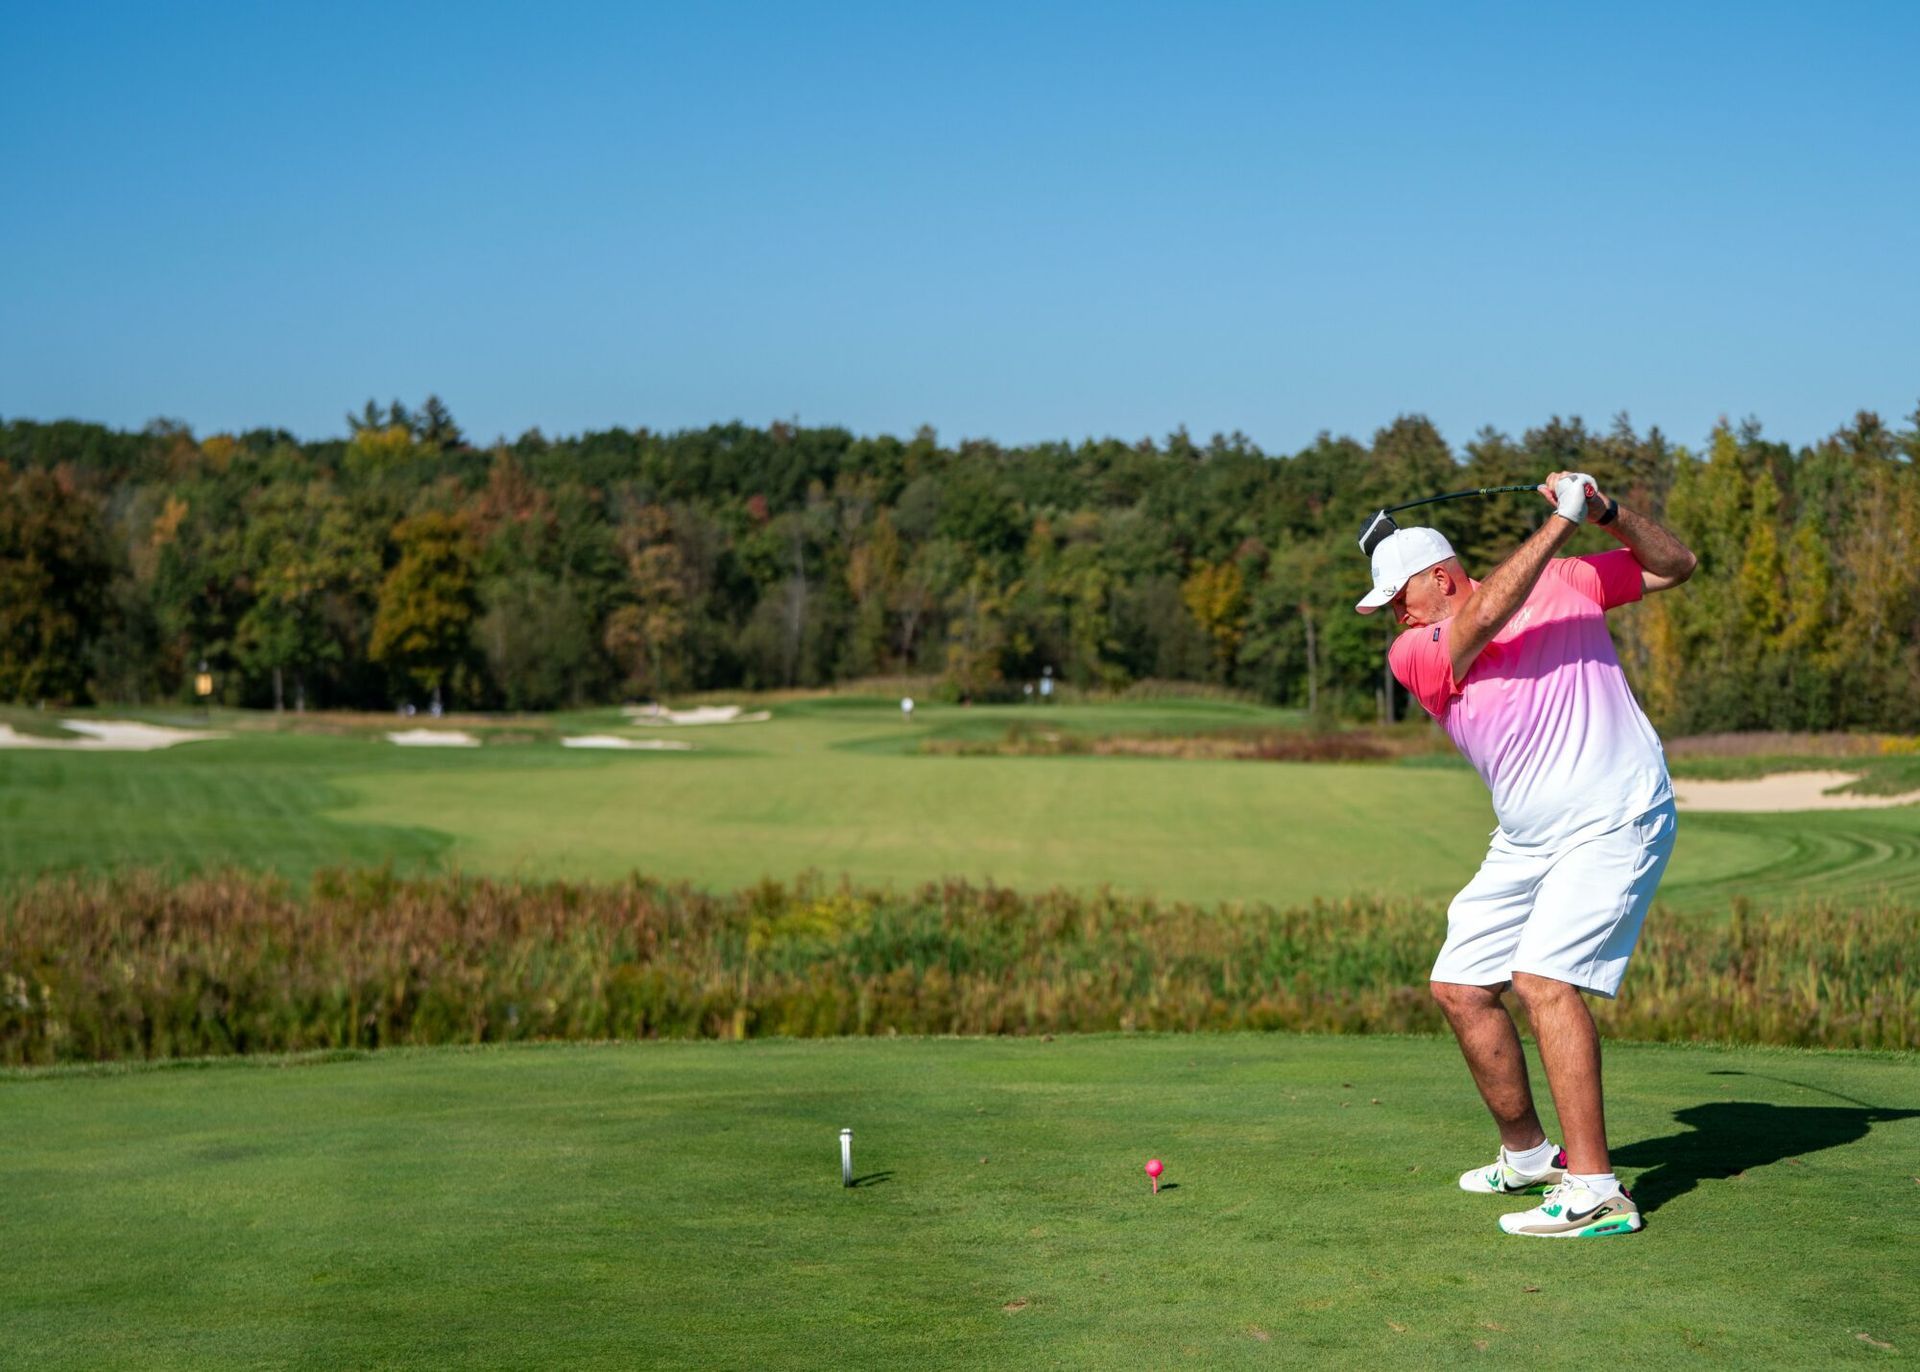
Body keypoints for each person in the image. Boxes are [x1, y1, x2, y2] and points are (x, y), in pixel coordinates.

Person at [1355, 471, 1696, 1238]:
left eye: (1399, 599)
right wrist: (1560, 525)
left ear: (1439, 576)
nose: (1394, 618)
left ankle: (1598, 1189)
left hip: (1614, 813)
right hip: (1526, 837)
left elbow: (1676, 565)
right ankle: (1532, 1154)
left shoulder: (1569, 580)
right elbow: (1481, 620)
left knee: (1542, 977)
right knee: (1460, 985)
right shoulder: (1419, 651)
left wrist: (1605, 513)